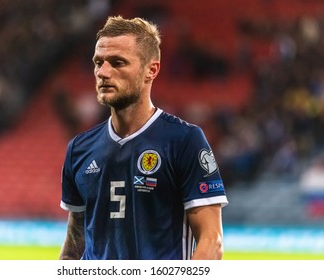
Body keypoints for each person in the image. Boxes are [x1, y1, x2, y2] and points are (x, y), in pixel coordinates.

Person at [59, 15, 228, 260]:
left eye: (117, 62)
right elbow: (75, 245)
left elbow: (212, 242)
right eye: (98, 62)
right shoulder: (79, 148)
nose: (103, 72)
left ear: (151, 70)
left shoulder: (184, 140)